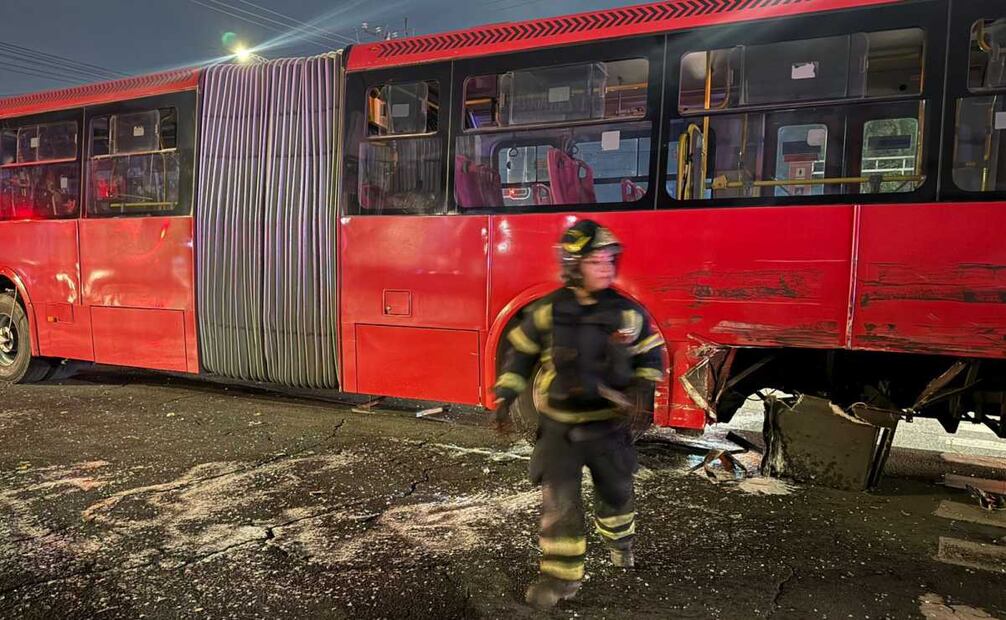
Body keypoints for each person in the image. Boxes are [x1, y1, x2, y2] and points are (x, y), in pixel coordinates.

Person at [493, 219, 666, 610]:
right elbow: (520, 353)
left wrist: (642, 388)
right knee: (561, 506)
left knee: (616, 494)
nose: (605, 267)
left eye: (609, 259)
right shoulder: (547, 311)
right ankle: (560, 579)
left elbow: (650, 353)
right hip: (560, 430)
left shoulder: (627, 313)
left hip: (609, 428)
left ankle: (621, 544)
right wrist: (505, 396)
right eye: (595, 261)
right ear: (573, 265)